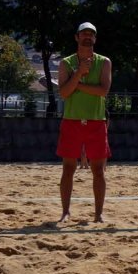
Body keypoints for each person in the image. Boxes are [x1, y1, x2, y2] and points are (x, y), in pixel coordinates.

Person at [56, 22, 112, 223]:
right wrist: (79, 73)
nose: (88, 37)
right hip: (71, 121)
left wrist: (76, 84)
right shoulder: (66, 63)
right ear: (76, 37)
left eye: (91, 34)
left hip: (96, 121)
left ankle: (98, 214)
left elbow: (103, 91)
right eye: (84, 34)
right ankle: (65, 212)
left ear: (95, 39)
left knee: (99, 170)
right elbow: (63, 93)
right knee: (68, 169)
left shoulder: (104, 62)